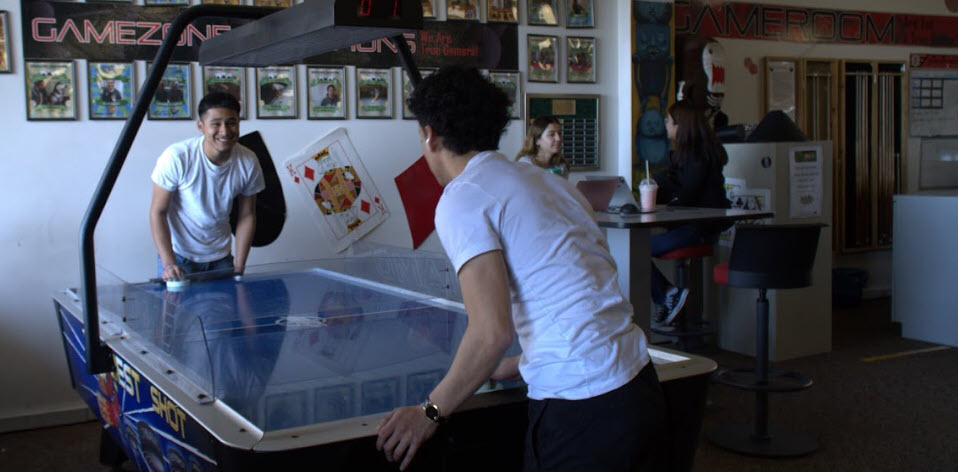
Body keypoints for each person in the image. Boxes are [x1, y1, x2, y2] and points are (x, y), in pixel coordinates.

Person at [375, 65, 664, 471]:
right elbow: (573, 284)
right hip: (638, 384)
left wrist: (430, 412)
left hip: (581, 406)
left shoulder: (461, 198)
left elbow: (492, 332)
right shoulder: (547, 180)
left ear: (429, 136)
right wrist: (518, 364)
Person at [149, 92, 265, 282]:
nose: (225, 131)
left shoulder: (248, 160)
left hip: (222, 259)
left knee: (226, 311)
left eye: (231, 122)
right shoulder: (177, 157)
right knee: (178, 311)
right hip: (179, 258)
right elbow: (158, 212)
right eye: (216, 124)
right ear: (201, 126)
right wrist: (169, 264)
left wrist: (239, 267)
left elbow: (247, 214)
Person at [650, 99, 732, 325]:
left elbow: (687, 195)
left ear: (680, 125)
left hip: (698, 229)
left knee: (634, 250)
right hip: (697, 226)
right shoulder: (694, 153)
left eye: (668, 121)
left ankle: (667, 294)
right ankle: (668, 294)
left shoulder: (697, 156)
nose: (666, 125)